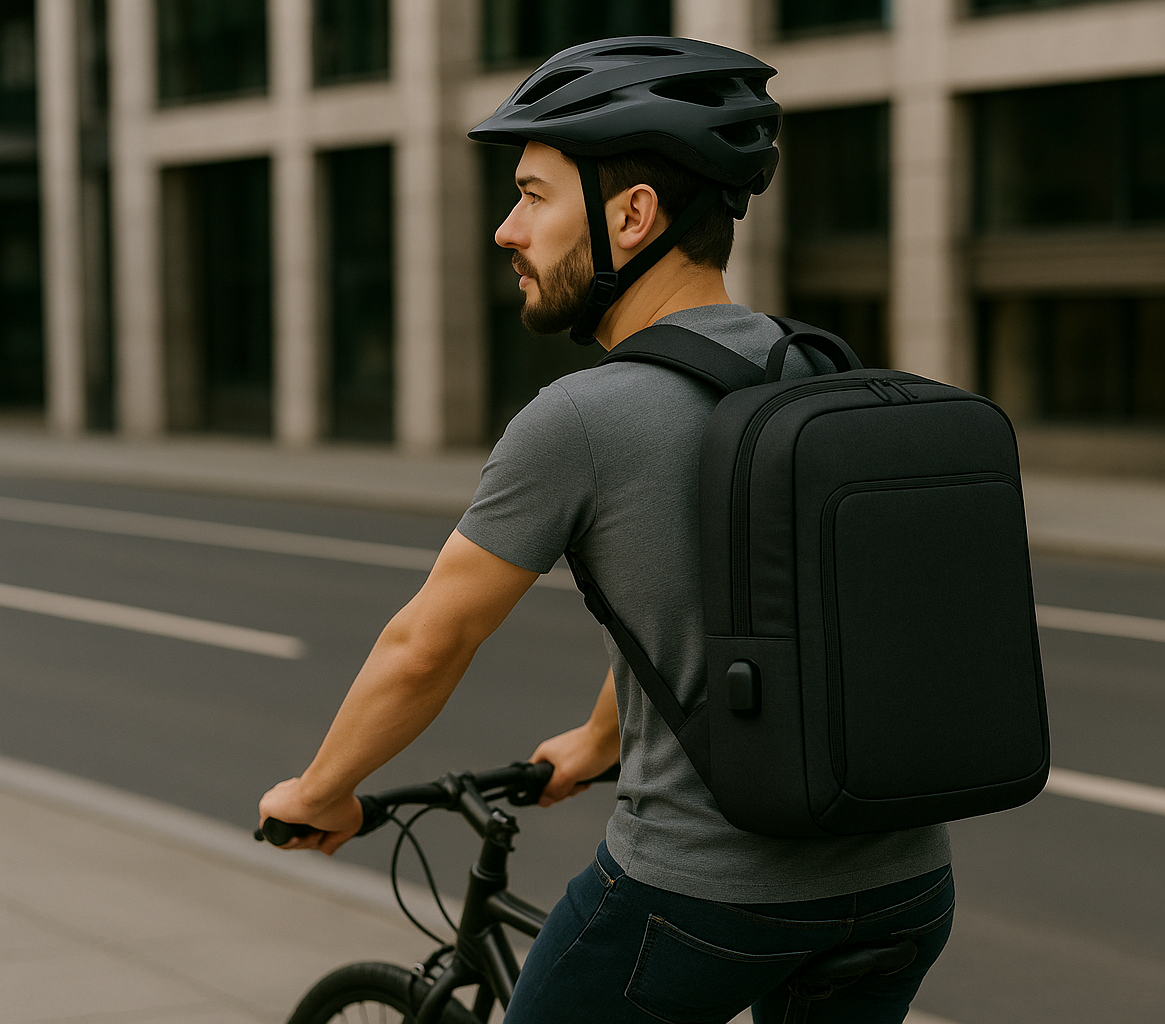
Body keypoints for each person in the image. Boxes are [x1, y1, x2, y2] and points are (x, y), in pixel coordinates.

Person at [258, 36, 953, 1023]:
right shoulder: (816, 372)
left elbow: (429, 642)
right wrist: (595, 740)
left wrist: (323, 789)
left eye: (534, 195)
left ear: (634, 216)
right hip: (902, 886)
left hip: (701, 900)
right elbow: (715, 601)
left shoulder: (580, 420)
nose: (506, 230)